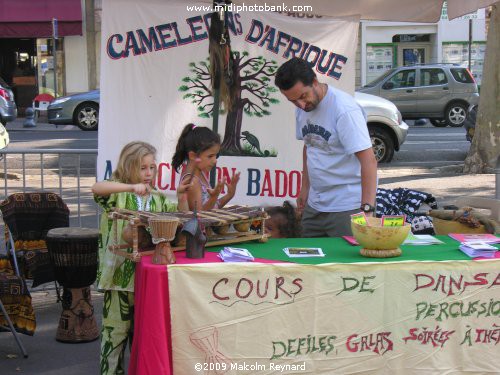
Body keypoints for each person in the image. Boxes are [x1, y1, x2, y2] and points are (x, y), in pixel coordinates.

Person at [92, 141, 190, 374]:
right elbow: (97, 188)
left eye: (152, 168)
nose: (148, 173)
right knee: (114, 335)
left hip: (147, 281)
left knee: (143, 338)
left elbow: (180, 218)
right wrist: (129, 187)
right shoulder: (118, 196)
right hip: (119, 281)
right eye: (142, 167)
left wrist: (181, 196)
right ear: (128, 167)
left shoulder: (158, 198)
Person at [275, 57, 377, 237]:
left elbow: (368, 161)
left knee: (343, 264)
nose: (300, 105)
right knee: (307, 261)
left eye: (302, 96)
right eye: (292, 101)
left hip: (346, 206)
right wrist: (304, 188)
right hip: (315, 204)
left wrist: (367, 209)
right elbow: (309, 146)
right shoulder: (302, 109)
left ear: (314, 82)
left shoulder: (344, 110)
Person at [172, 123, 240, 212]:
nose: (215, 160)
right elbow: (200, 218)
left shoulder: (200, 174)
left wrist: (229, 195)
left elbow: (213, 207)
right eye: (210, 156)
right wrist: (214, 196)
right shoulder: (192, 182)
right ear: (193, 156)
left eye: (216, 155)